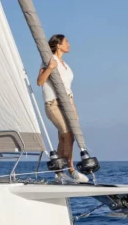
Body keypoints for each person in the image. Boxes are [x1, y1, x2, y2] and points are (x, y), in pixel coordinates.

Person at [36, 35, 89, 183]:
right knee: (68, 134)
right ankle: (71, 170)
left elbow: (68, 90)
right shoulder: (50, 60)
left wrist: (74, 110)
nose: (69, 44)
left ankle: (59, 173)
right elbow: (40, 82)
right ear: (58, 45)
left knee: (65, 138)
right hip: (53, 104)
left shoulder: (66, 64)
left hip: (68, 103)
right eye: (66, 42)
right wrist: (51, 67)